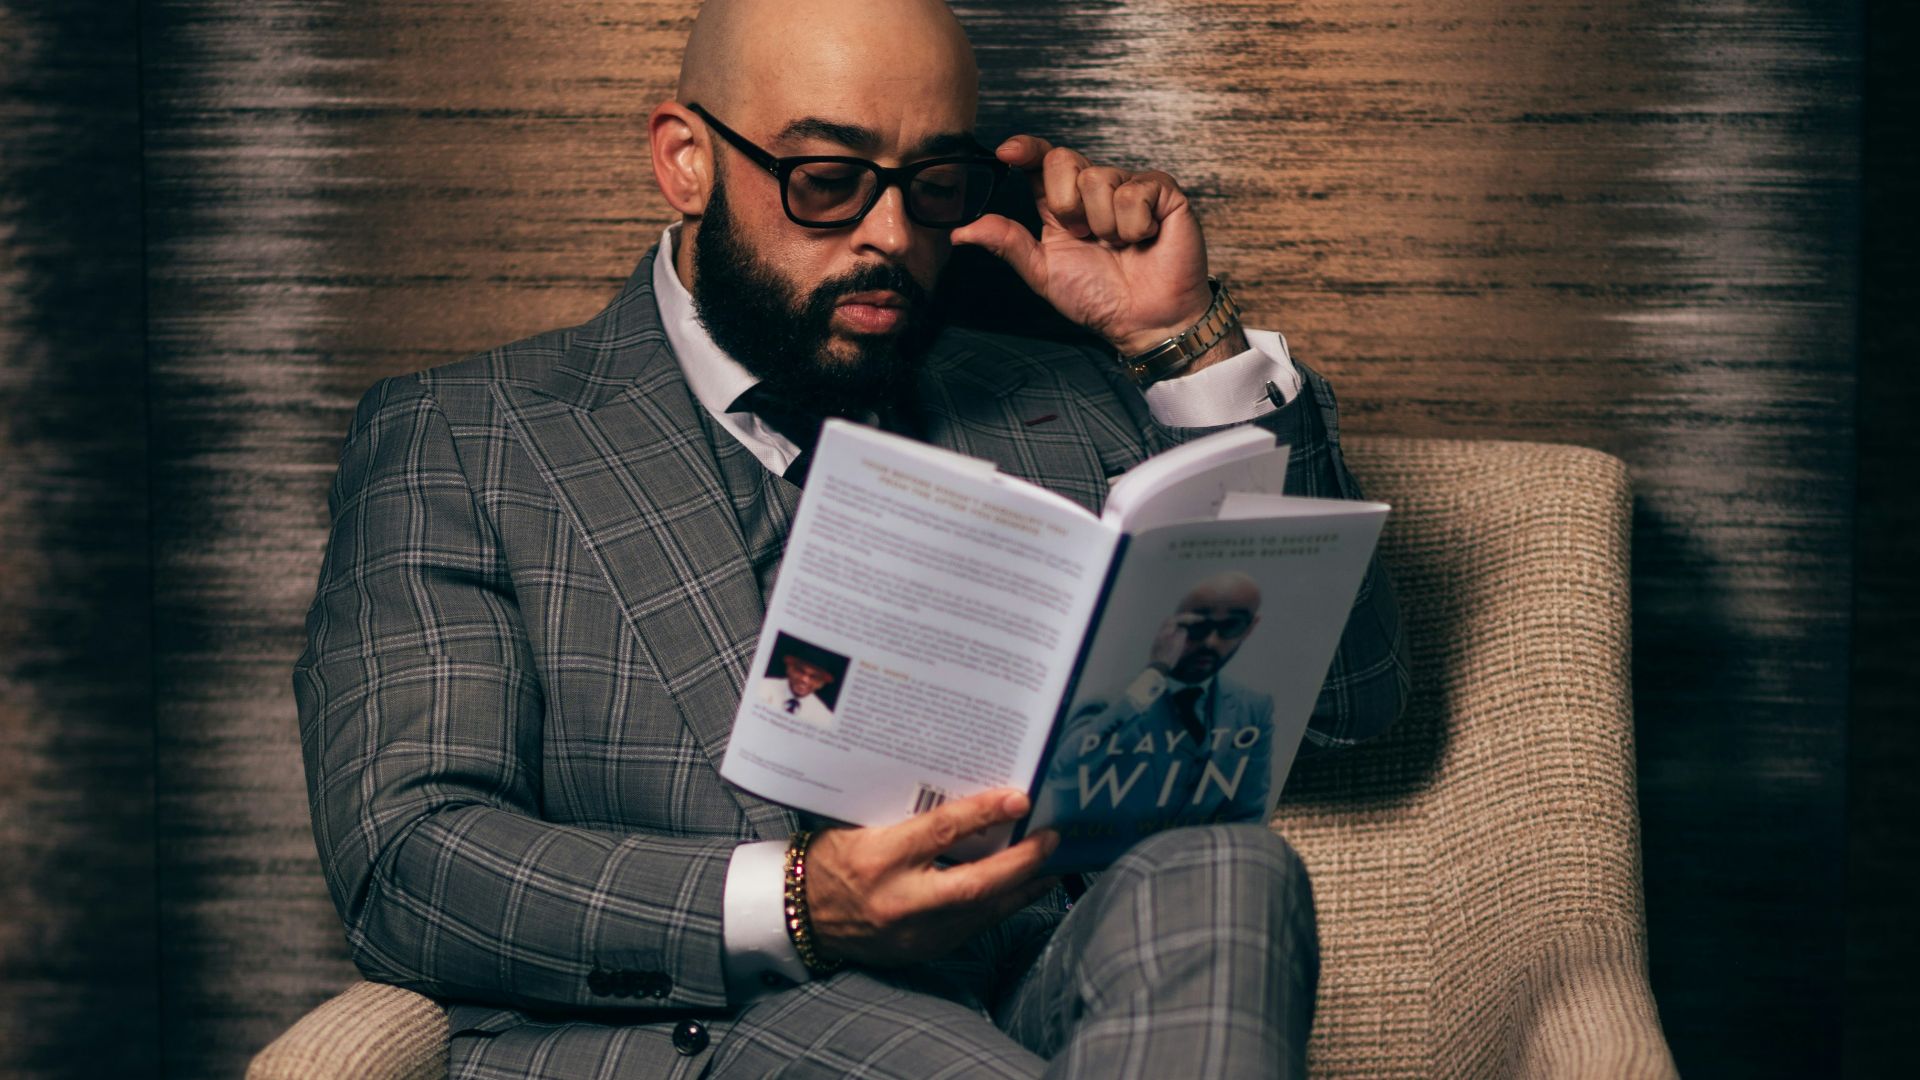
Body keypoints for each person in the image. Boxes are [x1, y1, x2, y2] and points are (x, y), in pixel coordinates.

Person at [294, 1, 1410, 1076]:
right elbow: (408, 865)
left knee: (1227, 865)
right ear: (686, 159)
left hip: (1041, 1003)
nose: (890, 236)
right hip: (716, 1025)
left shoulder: (1062, 395)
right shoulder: (466, 437)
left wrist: (1183, 345)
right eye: (826, 180)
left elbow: (1351, 711)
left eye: (932, 185)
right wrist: (798, 904)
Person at [1038, 573, 1275, 835]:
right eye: (1195, 627)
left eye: (1232, 626)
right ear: (1167, 627)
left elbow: (1247, 812)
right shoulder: (1109, 701)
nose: (1211, 642)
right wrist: (1156, 672)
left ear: (1250, 628)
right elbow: (1062, 772)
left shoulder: (1252, 707)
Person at [756, 643, 842, 724]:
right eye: (800, 671)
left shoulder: (824, 717)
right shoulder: (762, 686)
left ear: (820, 684)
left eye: (813, 677)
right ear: (789, 669)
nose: (804, 679)